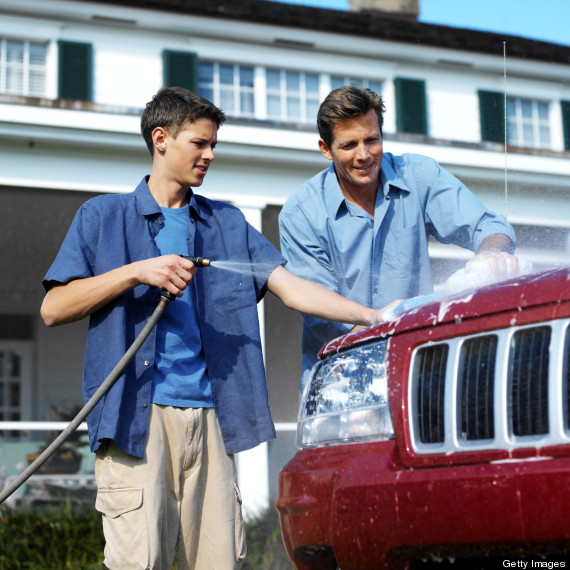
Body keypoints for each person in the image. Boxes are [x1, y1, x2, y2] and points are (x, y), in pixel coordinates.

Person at [40, 86, 387, 570]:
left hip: (214, 422)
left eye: (213, 144)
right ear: (161, 139)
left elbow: (291, 288)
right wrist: (137, 272)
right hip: (136, 424)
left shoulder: (226, 222)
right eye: (199, 143)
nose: (210, 155)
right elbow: (54, 308)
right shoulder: (102, 217)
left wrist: (374, 317)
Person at [279, 84, 519, 391]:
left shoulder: (418, 175)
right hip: (342, 380)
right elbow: (321, 311)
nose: (364, 155)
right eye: (349, 145)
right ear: (325, 149)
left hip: (422, 370)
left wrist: (491, 254)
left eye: (371, 140)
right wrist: (387, 333)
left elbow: (489, 227)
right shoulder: (301, 213)